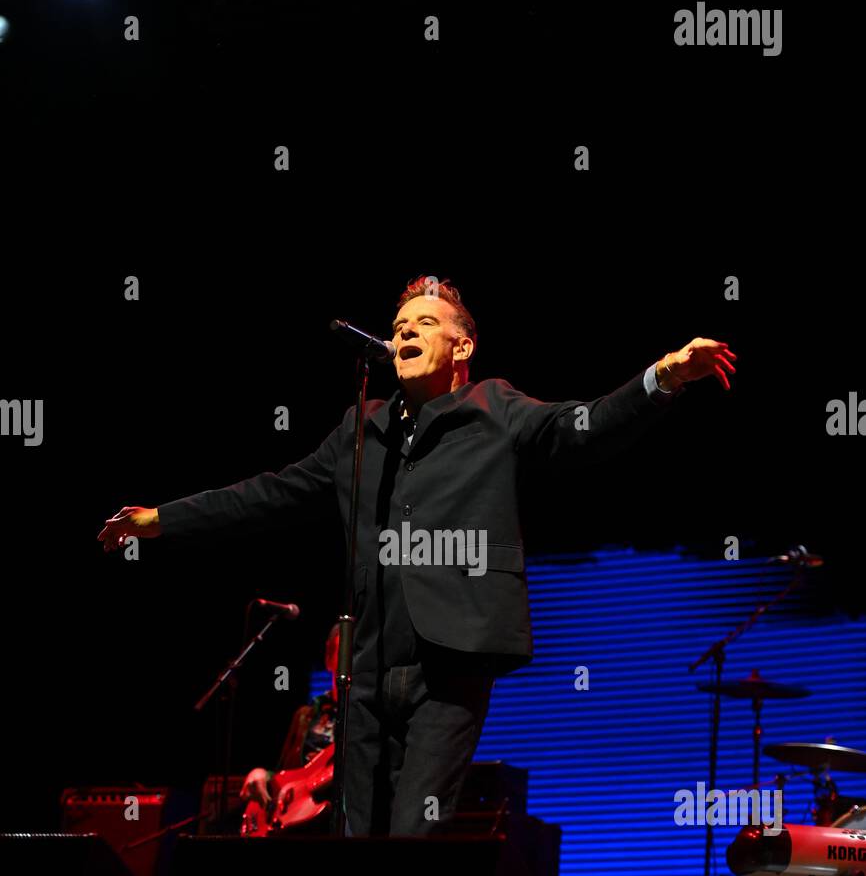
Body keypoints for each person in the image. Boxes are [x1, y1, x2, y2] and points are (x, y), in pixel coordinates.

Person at [99, 275, 736, 837]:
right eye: (399, 327)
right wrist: (162, 521)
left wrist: (667, 374)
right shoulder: (361, 428)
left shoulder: (496, 409)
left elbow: (587, 427)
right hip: (367, 665)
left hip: (450, 664)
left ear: (461, 347)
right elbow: (269, 493)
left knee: (413, 835)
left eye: (424, 324)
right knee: (356, 833)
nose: (404, 334)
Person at [240, 622, 338, 822]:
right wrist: (263, 775)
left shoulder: (371, 720)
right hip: (295, 822)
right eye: (347, 652)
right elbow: (286, 772)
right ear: (329, 657)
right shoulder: (306, 715)